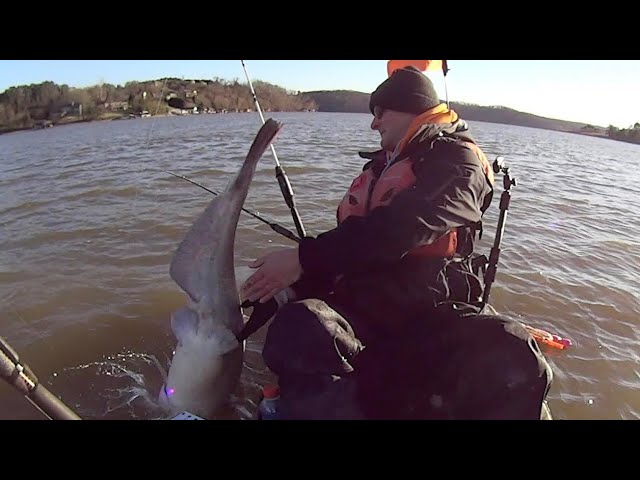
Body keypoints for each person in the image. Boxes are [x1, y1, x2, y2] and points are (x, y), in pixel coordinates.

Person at [239, 66, 553, 420]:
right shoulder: (380, 167)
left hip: (429, 319)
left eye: (380, 112)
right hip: (365, 311)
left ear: (411, 107)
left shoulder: (460, 163)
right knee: (299, 324)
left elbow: (405, 226)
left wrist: (303, 256)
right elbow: (353, 250)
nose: (374, 123)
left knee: (514, 348)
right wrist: (276, 287)